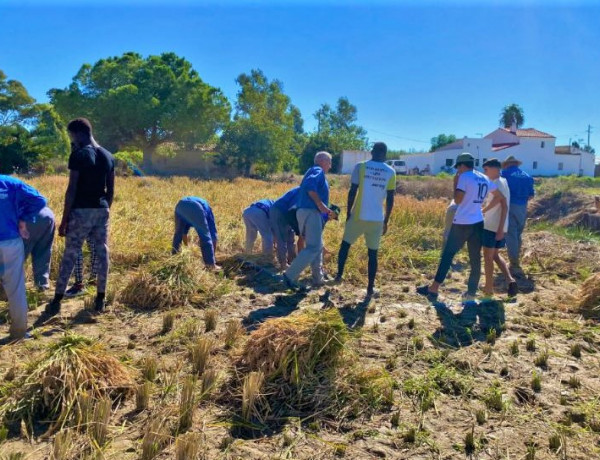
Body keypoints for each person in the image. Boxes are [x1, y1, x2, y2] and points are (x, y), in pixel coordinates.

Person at [46, 118, 115, 315]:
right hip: (101, 210)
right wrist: (105, 211)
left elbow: (72, 189)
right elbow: (111, 190)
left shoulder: (78, 155)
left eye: (71, 135)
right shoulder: (108, 156)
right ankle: (100, 298)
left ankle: (57, 301)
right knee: (102, 252)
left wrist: (65, 219)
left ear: (77, 133)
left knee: (71, 253)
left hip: (80, 211)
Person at [417, 152, 498, 301]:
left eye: (458, 167)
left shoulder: (464, 177)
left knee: (448, 255)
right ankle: (471, 294)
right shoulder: (484, 177)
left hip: (462, 222)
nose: (458, 170)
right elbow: (498, 196)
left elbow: (458, 200)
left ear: (462, 165)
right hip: (478, 222)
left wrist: (456, 183)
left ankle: (434, 288)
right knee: (475, 259)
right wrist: (482, 208)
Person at [335, 142, 396, 297]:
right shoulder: (390, 171)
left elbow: (352, 191)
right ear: (385, 154)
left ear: (371, 152)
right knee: (373, 254)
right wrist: (386, 220)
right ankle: (369, 289)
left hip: (358, 215)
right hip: (377, 218)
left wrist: (349, 212)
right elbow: (390, 198)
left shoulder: (360, 167)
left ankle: (338, 276)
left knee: (345, 245)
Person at [0, 175, 47, 339]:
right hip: (11, 241)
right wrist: (23, 220)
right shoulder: (11, 183)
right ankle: (19, 333)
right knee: (16, 288)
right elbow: (40, 200)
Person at [283, 151, 336, 290]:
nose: (330, 166)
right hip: (311, 211)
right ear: (323, 161)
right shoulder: (317, 170)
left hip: (307, 211)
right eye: (329, 162)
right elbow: (309, 186)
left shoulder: (316, 172)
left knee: (317, 245)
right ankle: (289, 275)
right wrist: (321, 205)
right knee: (313, 247)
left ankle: (318, 278)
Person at [481, 159, 518, 298]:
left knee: (488, 257)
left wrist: (483, 210)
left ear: (495, 169)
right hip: (500, 226)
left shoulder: (497, 183)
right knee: (495, 255)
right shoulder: (504, 181)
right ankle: (510, 280)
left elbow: (502, 204)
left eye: (486, 170)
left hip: (493, 226)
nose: (485, 173)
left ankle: (488, 288)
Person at [501, 155, 534, 275]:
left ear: (507, 164)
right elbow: (531, 195)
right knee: (518, 234)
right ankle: (515, 258)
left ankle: (514, 263)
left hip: (510, 206)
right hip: (523, 207)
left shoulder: (504, 174)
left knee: (511, 234)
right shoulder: (527, 176)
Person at [172, 196, 220, 270]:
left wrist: (186, 248)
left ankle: (174, 260)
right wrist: (212, 257)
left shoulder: (188, 217)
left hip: (180, 205)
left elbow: (183, 234)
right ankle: (210, 265)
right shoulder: (209, 213)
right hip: (196, 207)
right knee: (205, 236)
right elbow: (212, 237)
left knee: (178, 234)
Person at [22, 204, 55, 291]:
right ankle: (42, 285)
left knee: (14, 258)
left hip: (27, 218)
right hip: (47, 214)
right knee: (43, 252)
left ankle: (6, 292)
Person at [270, 186, 300, 270]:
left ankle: (292, 261)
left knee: (291, 238)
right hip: (279, 212)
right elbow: (293, 210)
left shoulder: (307, 192)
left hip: (288, 214)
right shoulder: (302, 192)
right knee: (282, 239)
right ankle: (283, 264)